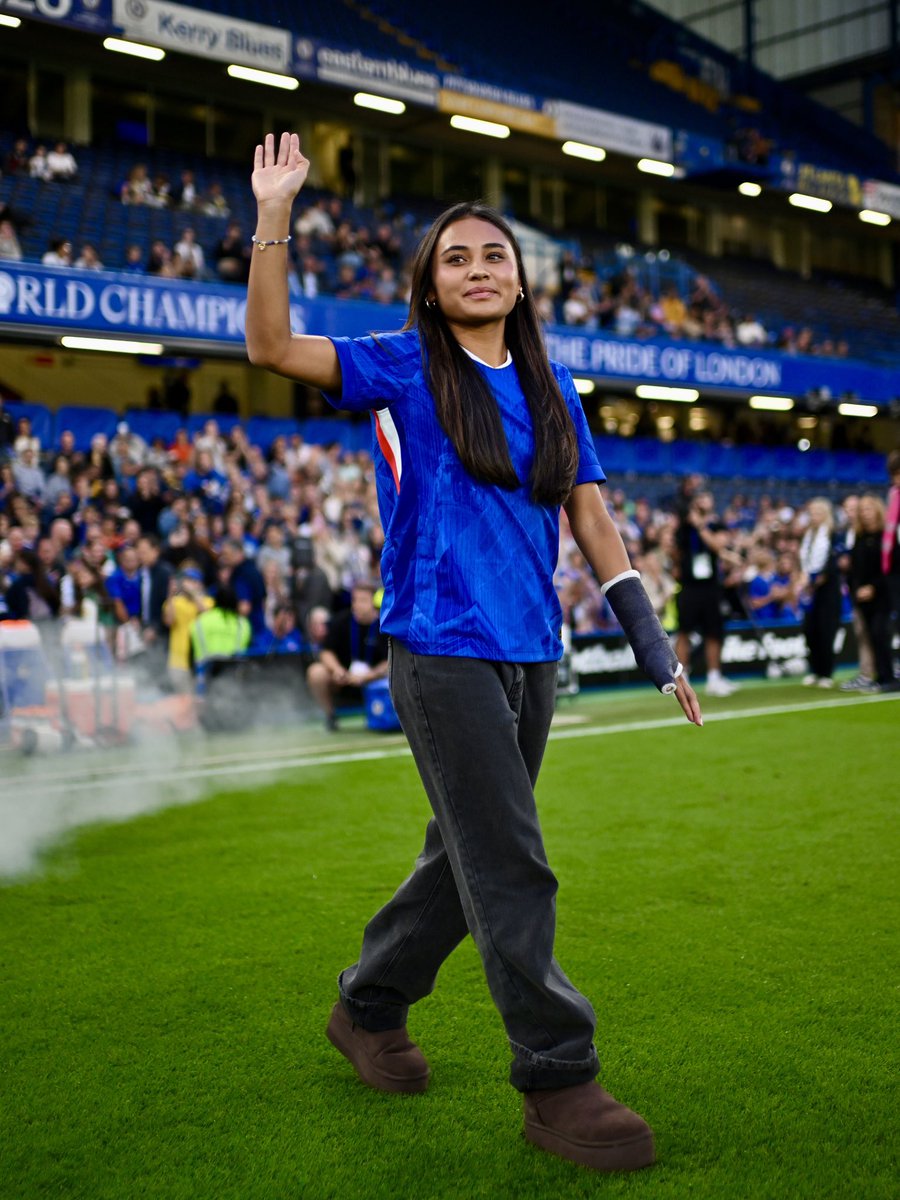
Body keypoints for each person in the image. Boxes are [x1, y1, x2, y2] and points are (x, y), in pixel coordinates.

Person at [245, 132, 702, 1175]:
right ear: (431, 283)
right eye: (455, 257)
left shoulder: (554, 390)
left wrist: (650, 639)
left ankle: (367, 1007)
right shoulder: (402, 364)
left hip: (530, 654)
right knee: (509, 862)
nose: (478, 268)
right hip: (438, 647)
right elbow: (271, 348)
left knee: (463, 860)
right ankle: (558, 1078)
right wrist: (276, 216)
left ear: (521, 280)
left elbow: (593, 522)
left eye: (493, 254)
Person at [674, 490, 740, 696]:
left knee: (713, 632)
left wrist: (700, 525)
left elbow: (717, 544)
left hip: (710, 587)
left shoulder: (716, 525)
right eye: (699, 498)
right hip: (689, 586)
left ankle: (714, 678)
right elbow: (676, 551)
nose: (703, 501)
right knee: (684, 632)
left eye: (706, 497)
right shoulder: (684, 528)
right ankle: (682, 679)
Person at [305, 580, 389, 730]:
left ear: (373, 602)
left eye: (362, 600)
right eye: (355, 600)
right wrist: (337, 670)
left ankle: (389, 717)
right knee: (316, 672)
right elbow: (326, 652)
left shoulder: (384, 625)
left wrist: (367, 676)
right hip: (345, 678)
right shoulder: (341, 621)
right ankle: (330, 716)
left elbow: (389, 662)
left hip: (375, 680)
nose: (357, 605)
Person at [850, 495, 897, 692]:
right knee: (870, 636)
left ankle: (889, 677)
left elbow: (891, 568)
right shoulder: (859, 538)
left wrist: (873, 587)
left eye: (868, 509)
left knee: (880, 633)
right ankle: (880, 676)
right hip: (862, 598)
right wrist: (857, 590)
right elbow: (855, 569)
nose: (865, 514)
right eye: (862, 510)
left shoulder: (887, 537)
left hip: (883, 595)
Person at [798, 498, 842, 687]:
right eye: (811, 513)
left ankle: (826, 672)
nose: (814, 517)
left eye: (817, 513)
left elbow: (833, 563)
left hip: (828, 589)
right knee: (810, 630)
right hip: (810, 589)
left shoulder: (832, 534)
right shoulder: (808, 535)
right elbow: (805, 562)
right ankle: (815, 669)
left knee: (826, 630)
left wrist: (818, 578)